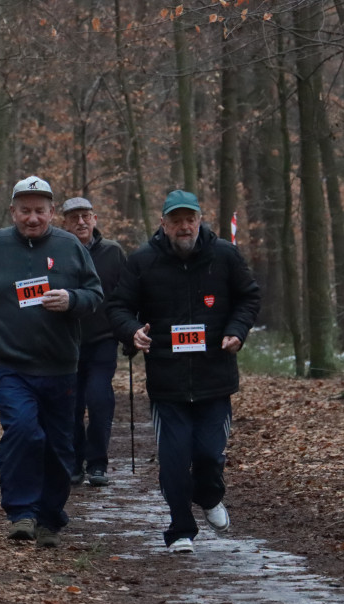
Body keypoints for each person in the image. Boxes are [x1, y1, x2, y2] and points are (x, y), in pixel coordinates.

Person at [107, 190, 260, 554]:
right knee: (174, 460)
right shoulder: (143, 261)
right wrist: (133, 331)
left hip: (214, 378)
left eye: (189, 219)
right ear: (163, 223)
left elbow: (249, 297)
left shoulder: (224, 255)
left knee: (208, 455)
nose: (184, 226)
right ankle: (180, 529)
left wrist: (236, 331)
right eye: (176, 220)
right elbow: (117, 307)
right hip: (167, 382)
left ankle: (209, 496)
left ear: (200, 220)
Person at [0, 176, 103, 548]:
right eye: (25, 211)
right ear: (13, 212)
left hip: (60, 367)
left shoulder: (70, 246)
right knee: (24, 430)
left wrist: (72, 299)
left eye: (40, 211)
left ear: (52, 212)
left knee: (59, 446)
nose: (33, 218)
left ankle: (49, 518)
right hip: (10, 364)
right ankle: (21, 512)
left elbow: (95, 294)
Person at [60, 197, 127, 487]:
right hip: (65, 342)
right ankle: (74, 463)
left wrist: (130, 333)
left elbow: (126, 295)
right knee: (70, 404)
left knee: (99, 399)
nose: (81, 222)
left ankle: (97, 463)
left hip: (103, 340)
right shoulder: (55, 252)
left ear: (95, 219)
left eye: (86, 216)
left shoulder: (113, 252)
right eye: (74, 217)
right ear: (63, 222)